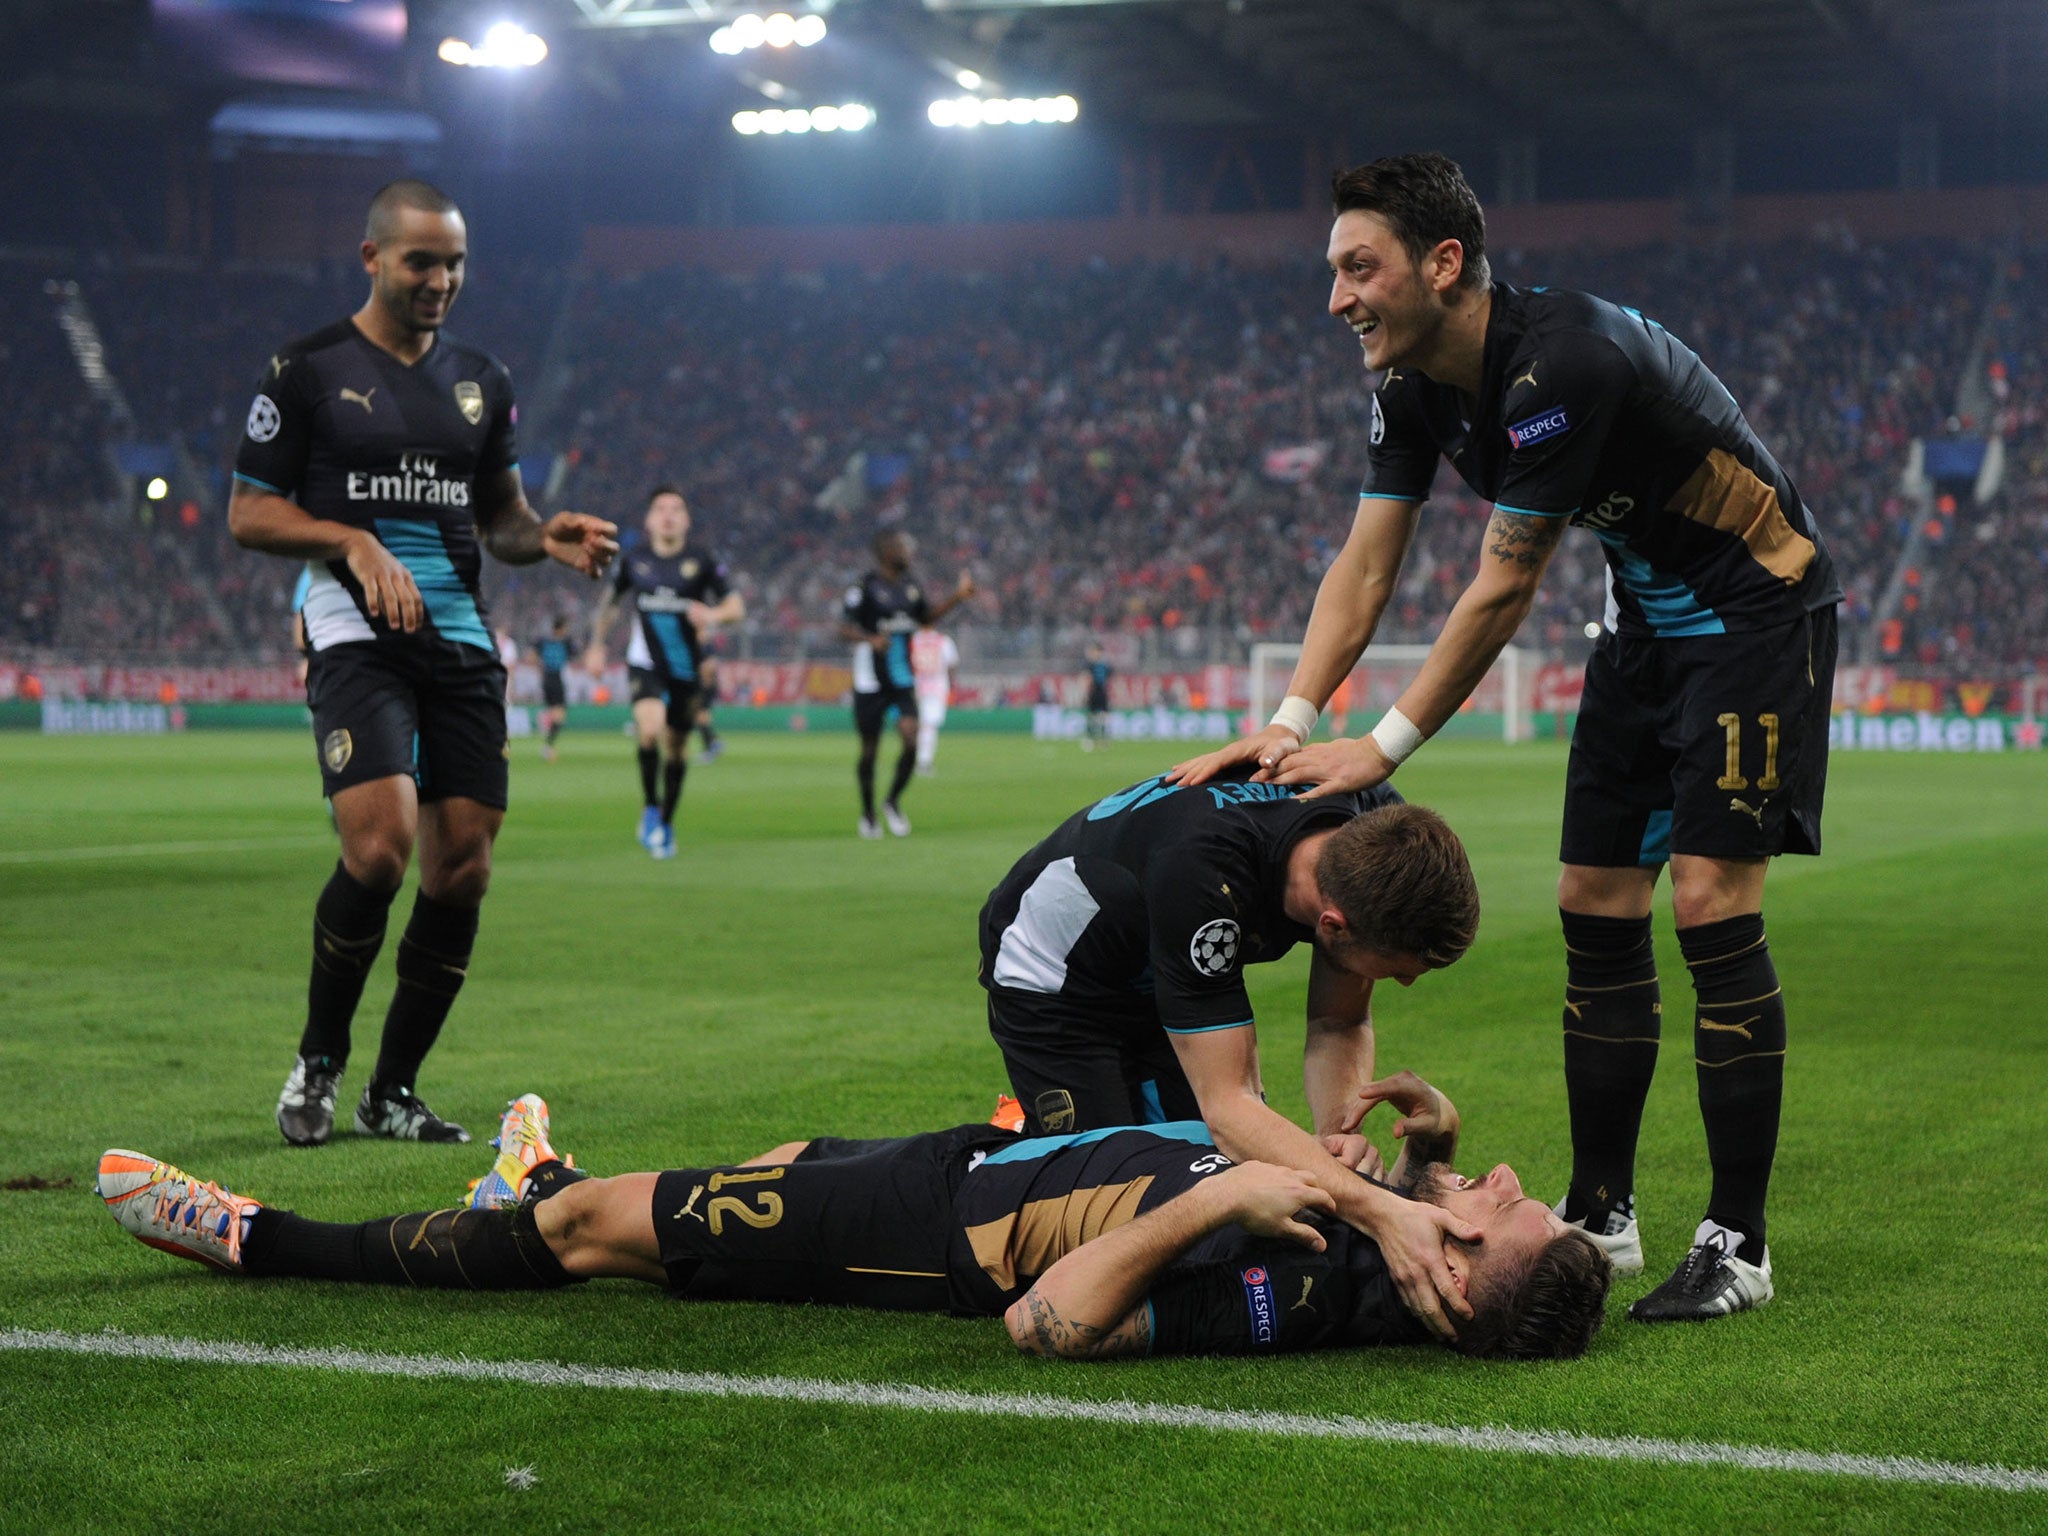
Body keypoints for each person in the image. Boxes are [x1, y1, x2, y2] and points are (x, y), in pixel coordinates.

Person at [1172, 152, 1842, 1324]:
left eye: (1356, 268)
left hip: (1753, 611)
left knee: (1707, 905)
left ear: (1442, 265)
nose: (1336, 298)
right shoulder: (1411, 384)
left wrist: (1377, 747)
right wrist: (1287, 723)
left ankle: (1736, 1242)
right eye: (1331, 272)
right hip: (1641, 622)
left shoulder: (1558, 362)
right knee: (1592, 897)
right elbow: (1367, 560)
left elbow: (1502, 581)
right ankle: (1601, 1212)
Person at [95, 1073, 1610, 1361]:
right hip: (974, 1159)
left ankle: (252, 1233)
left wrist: (1219, 1193)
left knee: (605, 1234)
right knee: (771, 1155)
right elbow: (1391, 1203)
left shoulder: (1290, 1298)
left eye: (1504, 1213)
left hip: (933, 1235)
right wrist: (1423, 1166)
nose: (1499, 1190)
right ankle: (537, 1180)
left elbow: (1052, 1324)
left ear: (1458, 1286)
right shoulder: (1393, 1234)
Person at [227, 178, 618, 1149]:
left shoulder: (482, 380)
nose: (441, 279)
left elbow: (501, 521)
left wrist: (547, 535)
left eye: (453, 264)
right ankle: (319, 1063)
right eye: (421, 261)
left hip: (459, 639)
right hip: (354, 627)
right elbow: (248, 512)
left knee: (464, 868)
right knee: (378, 847)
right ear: (371, 258)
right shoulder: (305, 369)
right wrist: (353, 545)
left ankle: (391, 1091)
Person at [980, 766, 1483, 1338]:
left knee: (1218, 1185)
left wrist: (1334, 1134)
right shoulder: (1206, 876)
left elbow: (1337, 1018)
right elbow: (1231, 1107)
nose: (1406, 986)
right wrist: (1380, 1209)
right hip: (1057, 977)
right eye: (1396, 972)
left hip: (1158, 959)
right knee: (1113, 1206)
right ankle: (1024, 1136)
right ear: (1332, 923)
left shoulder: (1369, 821)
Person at [583, 486, 743, 860]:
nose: (669, 515)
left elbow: (736, 606)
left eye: (676, 509)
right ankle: (651, 807)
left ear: (686, 520)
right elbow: (610, 603)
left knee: (678, 747)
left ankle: (667, 822)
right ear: (650, 520)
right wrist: (596, 644)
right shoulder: (634, 560)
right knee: (650, 729)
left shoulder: (701, 560)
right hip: (646, 662)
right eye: (661, 508)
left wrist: (714, 615)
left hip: (686, 670)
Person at [839, 531, 974, 838]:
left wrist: (958, 596)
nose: (907, 551)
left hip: (901, 676)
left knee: (912, 740)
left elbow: (927, 617)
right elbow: (842, 628)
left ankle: (892, 801)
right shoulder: (864, 587)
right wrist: (870, 638)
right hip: (870, 678)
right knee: (869, 751)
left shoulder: (910, 586)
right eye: (901, 547)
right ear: (885, 551)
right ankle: (869, 812)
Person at [910, 625, 958, 774]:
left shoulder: (912, 640)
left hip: (914, 687)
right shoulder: (943, 641)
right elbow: (952, 664)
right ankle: (924, 761)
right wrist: (951, 685)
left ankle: (913, 758)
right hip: (936, 688)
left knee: (916, 725)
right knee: (929, 726)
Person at [532, 616, 573, 761]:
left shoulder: (543, 641)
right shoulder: (565, 643)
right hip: (556, 679)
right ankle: (548, 746)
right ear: (561, 628)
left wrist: (541, 666)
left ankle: (547, 734)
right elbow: (575, 657)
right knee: (560, 715)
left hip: (546, 679)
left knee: (555, 712)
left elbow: (530, 656)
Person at [1082, 643, 1113, 751]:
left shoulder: (1105, 666)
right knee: (1091, 716)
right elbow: (1087, 679)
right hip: (1093, 693)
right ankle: (1089, 740)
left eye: (1096, 651)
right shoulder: (1090, 665)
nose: (1094, 653)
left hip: (1102, 693)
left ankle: (1104, 740)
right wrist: (1086, 694)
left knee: (1104, 717)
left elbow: (1109, 681)